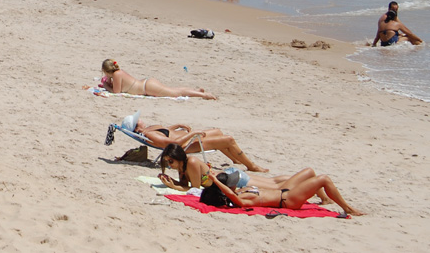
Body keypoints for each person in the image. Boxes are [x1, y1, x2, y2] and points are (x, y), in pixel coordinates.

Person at [159, 144, 331, 203]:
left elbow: (194, 189)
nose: (170, 164)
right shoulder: (183, 168)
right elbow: (190, 185)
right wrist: (173, 182)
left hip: (236, 180)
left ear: (179, 157)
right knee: (274, 182)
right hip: (232, 176)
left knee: (279, 186)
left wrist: (173, 186)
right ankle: (314, 184)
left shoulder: (193, 163)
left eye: (171, 161)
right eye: (168, 162)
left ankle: (313, 181)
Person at [119, 111, 267, 172]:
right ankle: (252, 166)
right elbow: (172, 144)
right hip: (186, 146)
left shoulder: (149, 130)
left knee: (218, 132)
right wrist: (193, 134)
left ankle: (235, 159)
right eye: (139, 120)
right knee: (228, 140)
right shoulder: (150, 135)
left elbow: (166, 132)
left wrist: (176, 126)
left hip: (187, 139)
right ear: (137, 126)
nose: (142, 119)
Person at [204, 168, 363, 216]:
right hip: (289, 199)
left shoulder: (240, 192)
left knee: (309, 171)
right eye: (230, 185)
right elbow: (229, 194)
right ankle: (347, 208)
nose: (234, 185)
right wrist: (217, 182)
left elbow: (228, 192)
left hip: (285, 192)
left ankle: (326, 200)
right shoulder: (242, 200)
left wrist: (214, 178)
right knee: (324, 179)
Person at [98, 59, 217, 100]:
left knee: (176, 93)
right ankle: (197, 91)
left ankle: (205, 95)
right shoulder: (118, 73)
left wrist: (105, 85)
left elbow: (116, 92)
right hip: (147, 84)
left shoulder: (117, 74)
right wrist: (108, 81)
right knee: (173, 90)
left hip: (147, 88)